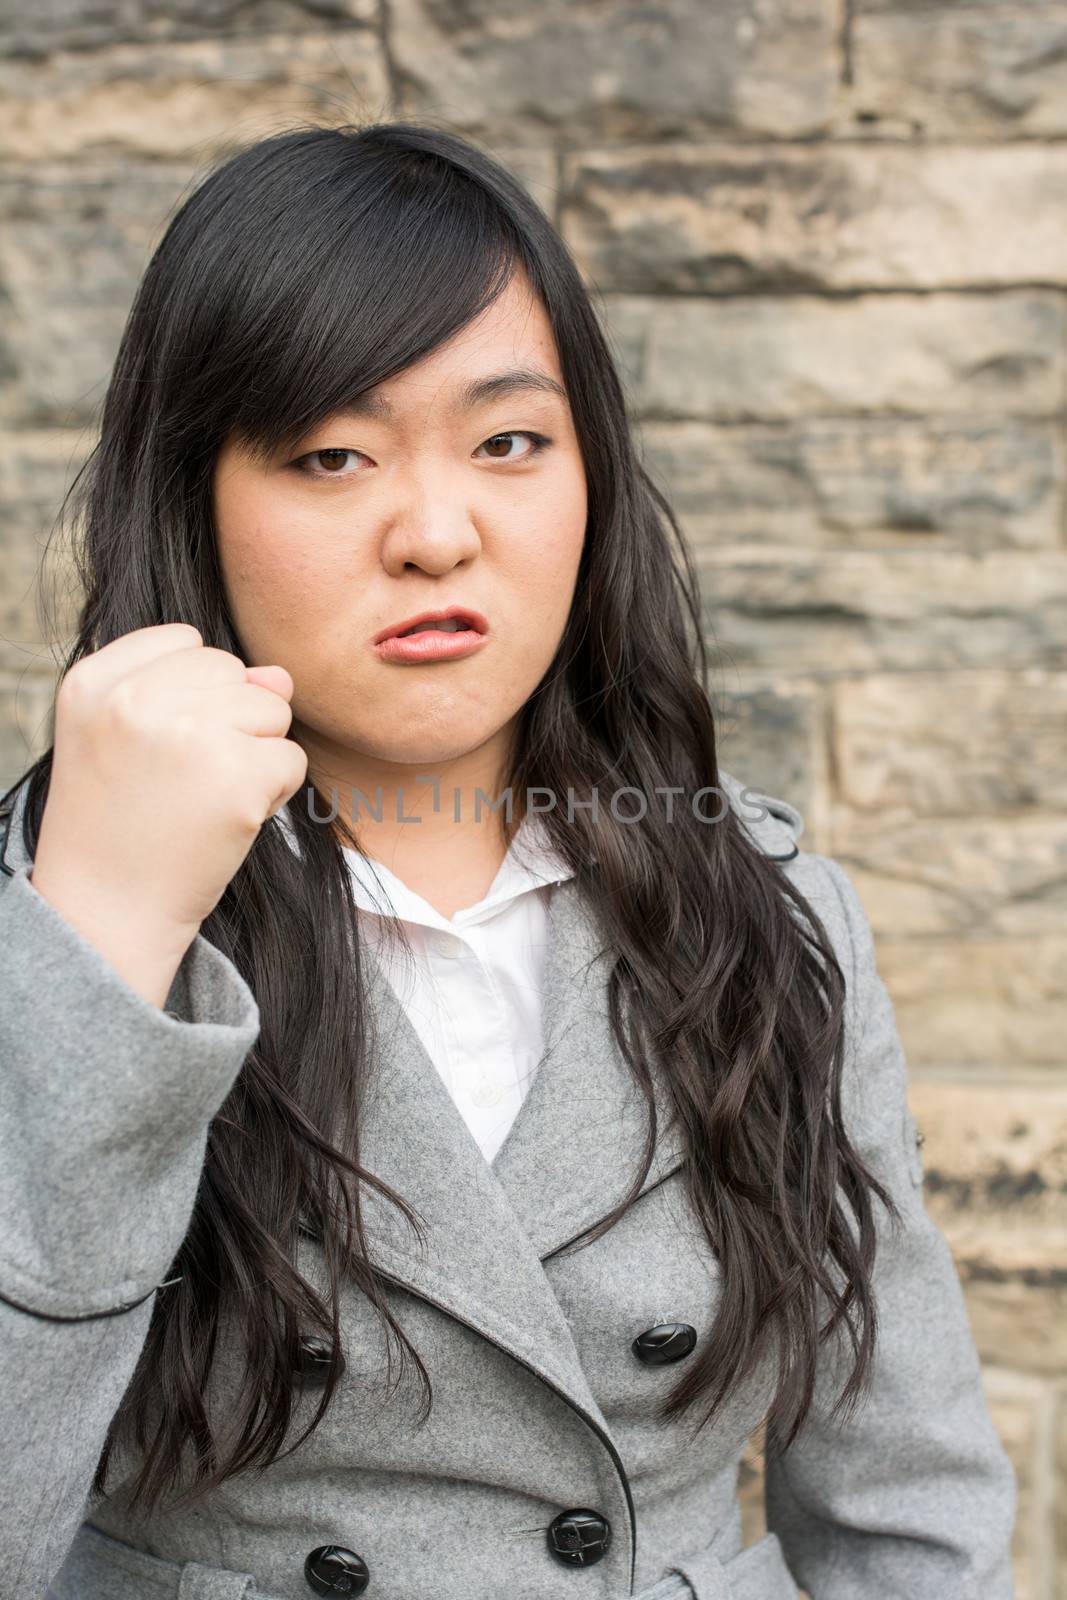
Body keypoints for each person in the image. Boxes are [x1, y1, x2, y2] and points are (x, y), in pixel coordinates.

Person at [0, 119, 1015, 1600]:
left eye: (508, 442)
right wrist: (99, 955)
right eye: (332, 454)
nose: (436, 531)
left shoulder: (762, 915)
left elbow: (906, 1511)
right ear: (193, 494)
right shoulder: (54, 926)